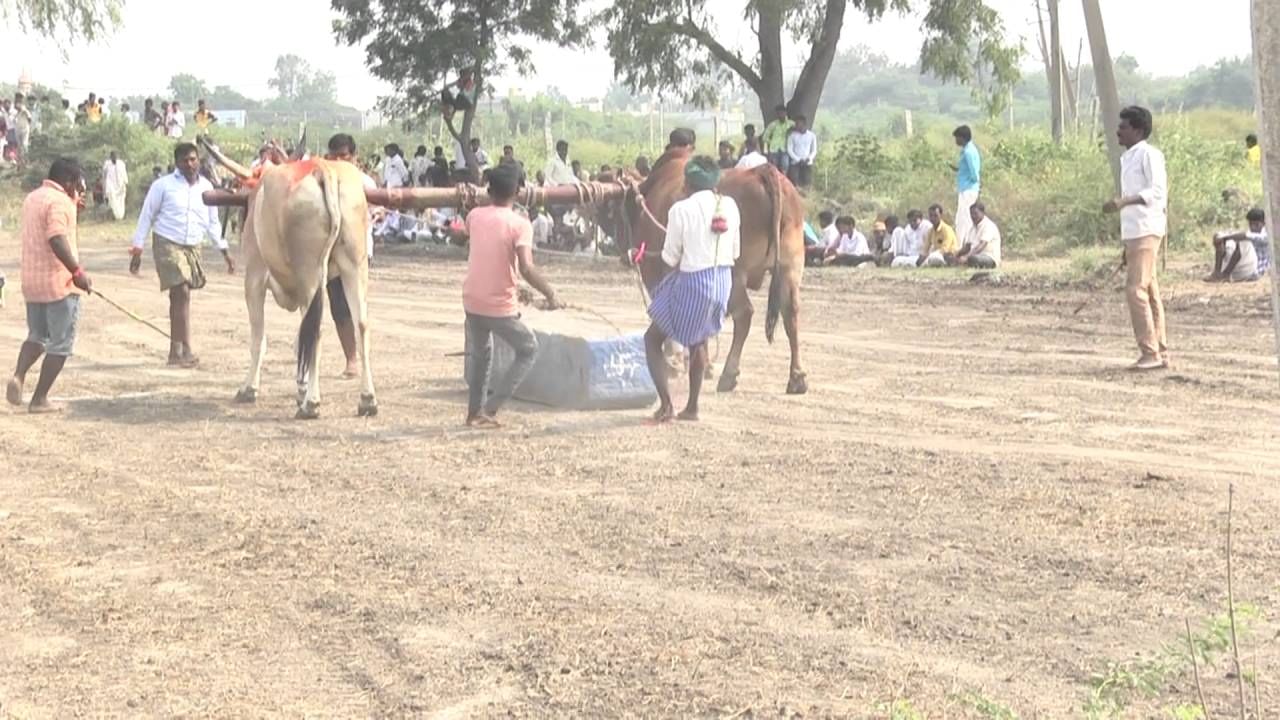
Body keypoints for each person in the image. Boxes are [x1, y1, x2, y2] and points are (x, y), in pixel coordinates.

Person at [462, 163, 564, 429]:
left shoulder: (474, 215)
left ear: (490, 189)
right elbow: (527, 268)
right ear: (518, 191)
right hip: (499, 305)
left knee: (482, 356)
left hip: (472, 300)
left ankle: (475, 413)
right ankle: (491, 409)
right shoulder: (520, 224)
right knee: (528, 349)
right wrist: (551, 293)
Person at [644, 156, 740, 423]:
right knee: (698, 342)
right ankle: (692, 408)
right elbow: (736, 251)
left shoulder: (680, 210)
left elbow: (670, 258)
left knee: (652, 339)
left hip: (694, 283)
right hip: (723, 282)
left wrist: (640, 255)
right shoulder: (730, 205)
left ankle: (666, 405)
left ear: (686, 184)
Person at [129, 143, 235, 368]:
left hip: (193, 246)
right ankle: (180, 350)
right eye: (185, 160)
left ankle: (178, 349)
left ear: (199, 161)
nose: (190, 164)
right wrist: (137, 249)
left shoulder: (206, 187)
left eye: (193, 159)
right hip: (168, 242)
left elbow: (212, 222)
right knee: (182, 291)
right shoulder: (163, 186)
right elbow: (147, 215)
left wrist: (224, 251)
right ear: (177, 162)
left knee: (181, 296)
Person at [6, 158, 92, 414]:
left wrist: (74, 206)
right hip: (60, 284)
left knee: (37, 336)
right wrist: (77, 271)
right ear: (69, 181)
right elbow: (56, 237)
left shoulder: (33, 198)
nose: (80, 189)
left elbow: (50, 226)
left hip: (33, 282)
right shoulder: (60, 201)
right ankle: (40, 398)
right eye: (78, 184)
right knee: (61, 344)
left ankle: (19, 375)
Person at [1103, 105, 1169, 371]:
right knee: (1150, 291)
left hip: (1146, 228)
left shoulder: (1150, 154)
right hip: (1134, 232)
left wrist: (1123, 201)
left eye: (1124, 126)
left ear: (1138, 130)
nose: (1118, 130)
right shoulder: (1127, 158)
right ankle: (1159, 351)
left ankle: (1149, 352)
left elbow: (1157, 191)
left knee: (1135, 290)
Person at [325, 133, 380, 378]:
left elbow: (380, 208)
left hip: (358, 252)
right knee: (339, 307)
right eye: (334, 156)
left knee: (357, 305)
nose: (339, 160)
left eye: (344, 156)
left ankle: (362, 358)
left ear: (354, 157)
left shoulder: (364, 182)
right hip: (329, 252)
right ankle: (351, 359)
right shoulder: (321, 180)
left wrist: (378, 213)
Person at [1207, 208, 1269, 283]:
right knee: (1223, 239)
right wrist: (1220, 238)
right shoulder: (1251, 232)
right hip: (1243, 268)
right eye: (1251, 224)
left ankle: (1225, 274)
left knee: (1243, 241)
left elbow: (1246, 236)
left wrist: (1225, 238)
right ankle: (1217, 273)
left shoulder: (1267, 235)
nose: (1253, 227)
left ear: (1263, 223)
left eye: (1256, 224)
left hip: (1255, 271)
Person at [952, 125, 982, 241]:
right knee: (962, 218)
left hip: (968, 189)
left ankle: (963, 244)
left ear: (962, 138)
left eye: (957, 138)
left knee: (964, 219)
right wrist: (958, 169)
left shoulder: (969, 152)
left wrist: (976, 182)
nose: (956, 141)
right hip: (966, 188)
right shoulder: (968, 150)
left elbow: (974, 171)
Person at [953, 202, 1001, 269]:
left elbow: (981, 245)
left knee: (973, 259)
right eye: (971, 214)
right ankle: (961, 262)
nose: (973, 216)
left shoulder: (988, 226)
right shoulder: (972, 228)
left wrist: (966, 257)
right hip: (975, 255)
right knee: (950, 256)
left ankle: (965, 263)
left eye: (975, 213)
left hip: (989, 257)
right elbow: (967, 247)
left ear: (983, 213)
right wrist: (957, 254)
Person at [786, 115, 817, 188]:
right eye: (796, 123)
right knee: (794, 181)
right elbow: (789, 149)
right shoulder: (792, 136)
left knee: (807, 181)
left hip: (807, 162)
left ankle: (807, 196)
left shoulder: (812, 135)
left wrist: (809, 158)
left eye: (798, 123)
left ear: (804, 124)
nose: (796, 125)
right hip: (795, 162)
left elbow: (814, 150)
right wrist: (798, 159)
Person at [761, 105, 791, 172]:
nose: (781, 115)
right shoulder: (773, 124)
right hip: (774, 149)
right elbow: (764, 137)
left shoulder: (791, 124)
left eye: (782, 113)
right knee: (774, 168)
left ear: (786, 113)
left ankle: (783, 181)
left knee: (785, 167)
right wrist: (771, 142)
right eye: (779, 113)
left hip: (785, 149)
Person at [102, 151, 129, 221]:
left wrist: (125, 183)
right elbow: (104, 175)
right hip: (111, 187)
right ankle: (115, 216)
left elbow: (124, 174)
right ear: (110, 157)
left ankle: (120, 216)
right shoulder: (107, 164)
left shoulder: (121, 164)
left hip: (120, 186)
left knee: (121, 201)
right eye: (112, 156)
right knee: (112, 202)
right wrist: (104, 187)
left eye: (115, 156)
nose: (114, 158)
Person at [11, 94, 33, 158]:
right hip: (17, 129)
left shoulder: (25, 109)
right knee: (19, 145)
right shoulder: (14, 109)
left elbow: (29, 119)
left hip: (25, 129)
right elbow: (12, 119)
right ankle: (19, 159)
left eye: (19, 103)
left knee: (24, 144)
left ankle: (25, 158)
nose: (18, 104)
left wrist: (29, 127)